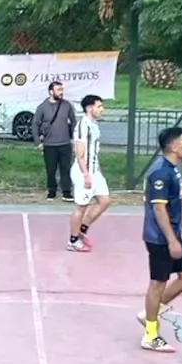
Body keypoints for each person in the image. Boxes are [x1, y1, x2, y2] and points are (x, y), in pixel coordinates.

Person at [139, 126, 182, 353]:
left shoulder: (175, 169)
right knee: (157, 283)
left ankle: (150, 313)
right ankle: (151, 335)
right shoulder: (160, 173)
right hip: (160, 237)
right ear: (173, 146)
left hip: (173, 232)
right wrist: (172, 240)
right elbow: (159, 210)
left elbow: (175, 204)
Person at [67, 94, 111, 253]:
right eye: (99, 106)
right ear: (89, 108)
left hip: (95, 171)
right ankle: (73, 240)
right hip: (83, 171)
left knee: (105, 201)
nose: (102, 109)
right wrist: (86, 174)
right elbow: (80, 154)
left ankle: (82, 228)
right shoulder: (82, 126)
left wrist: (96, 171)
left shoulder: (94, 125)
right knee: (82, 206)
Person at [32, 80, 76, 201]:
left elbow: (73, 122)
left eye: (62, 89)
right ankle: (52, 190)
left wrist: (74, 138)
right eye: (58, 90)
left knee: (65, 168)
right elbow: (35, 124)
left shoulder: (67, 105)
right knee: (51, 170)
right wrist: (38, 142)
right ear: (51, 92)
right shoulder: (42, 107)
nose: (61, 92)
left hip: (65, 143)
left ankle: (66, 191)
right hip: (49, 144)